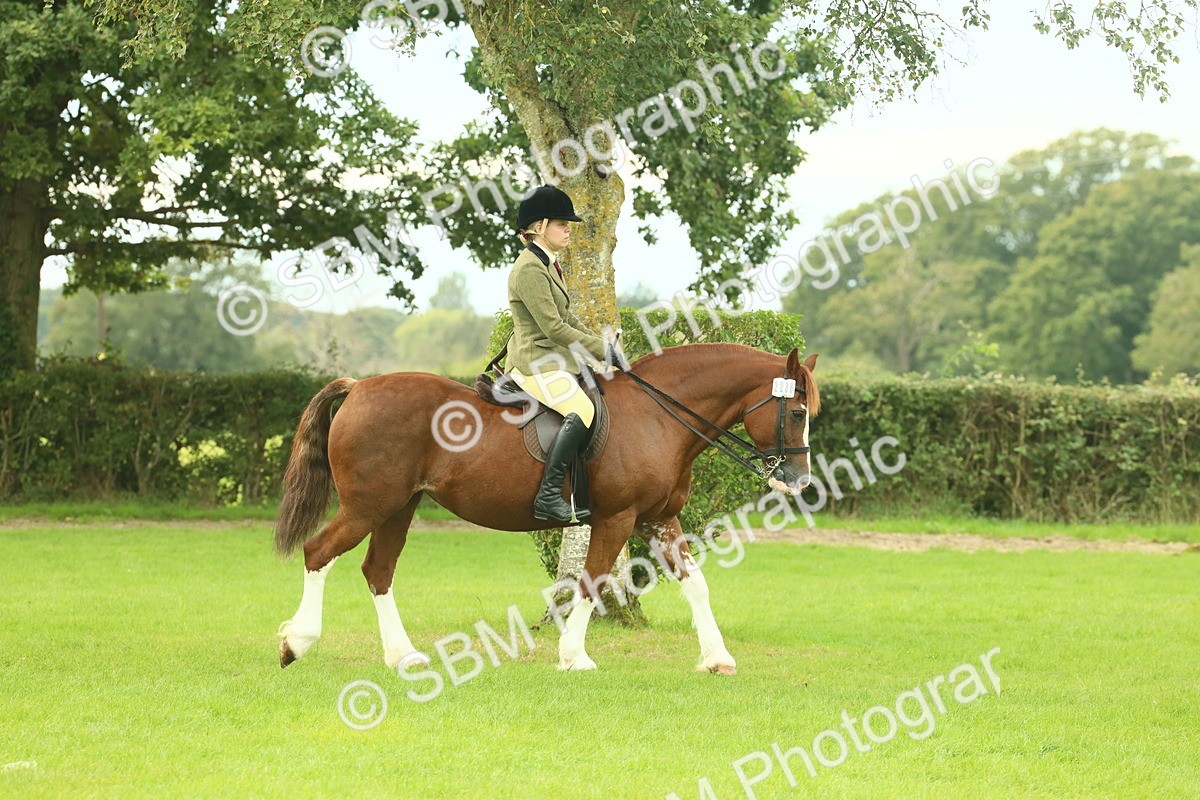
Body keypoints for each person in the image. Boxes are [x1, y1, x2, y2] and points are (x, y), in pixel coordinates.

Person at [505, 184, 614, 523]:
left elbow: (568, 318)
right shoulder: (529, 269)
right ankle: (549, 496)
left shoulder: (547, 264)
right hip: (533, 362)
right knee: (582, 408)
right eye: (562, 224)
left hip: (551, 359)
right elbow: (553, 328)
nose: (568, 230)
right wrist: (601, 350)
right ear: (539, 227)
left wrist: (602, 348)